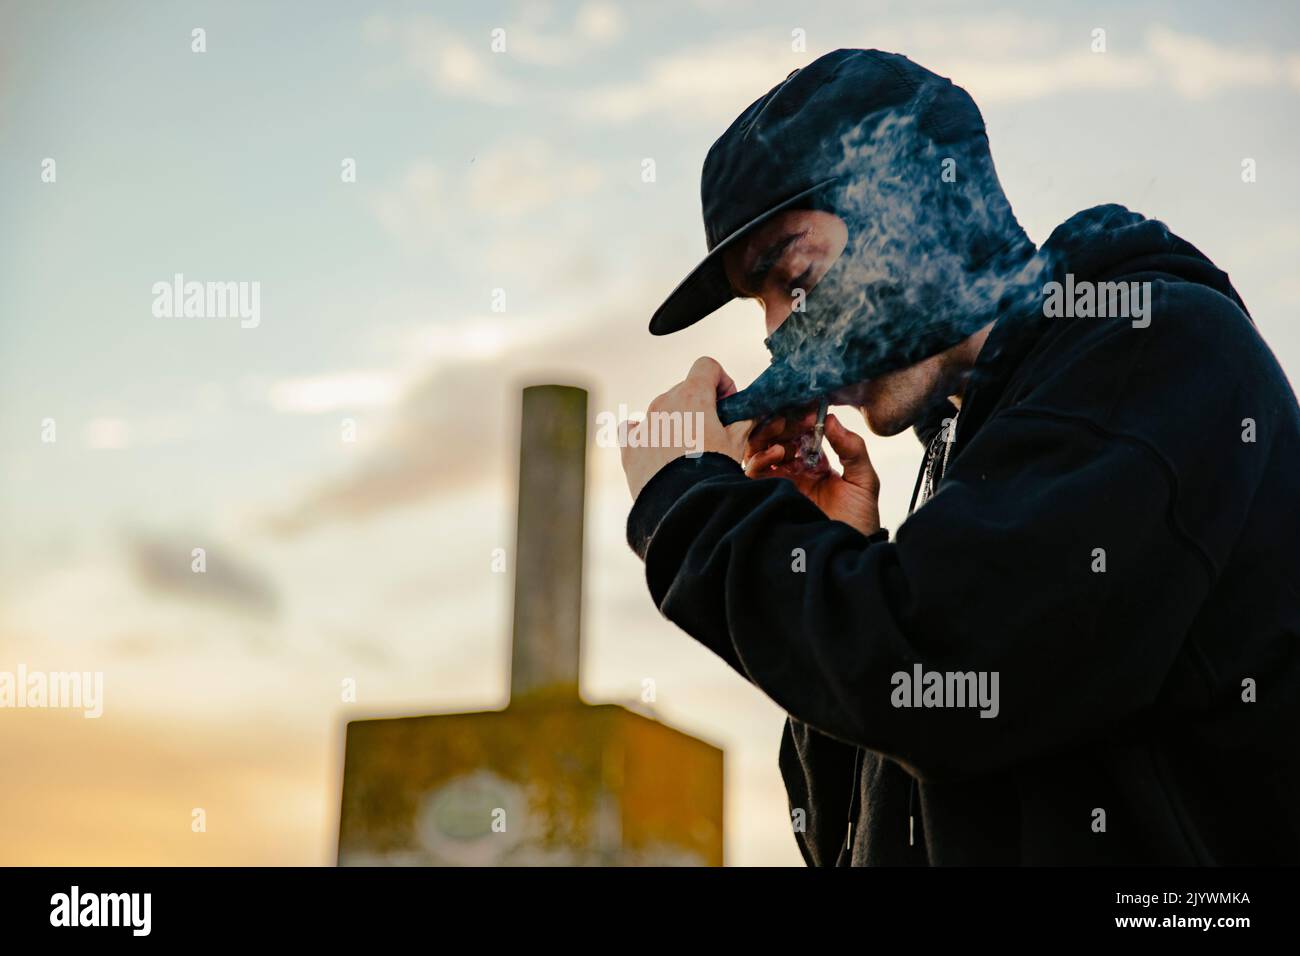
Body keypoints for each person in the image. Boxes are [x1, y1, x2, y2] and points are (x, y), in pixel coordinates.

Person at [619, 48, 1300, 865]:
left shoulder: (1157, 350)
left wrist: (688, 504)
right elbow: (852, 837)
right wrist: (830, 553)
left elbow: (950, 682)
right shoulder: (969, 462)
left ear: (911, 202)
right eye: (757, 302)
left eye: (792, 273)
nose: (774, 332)